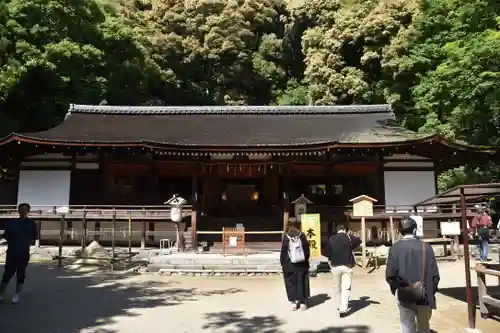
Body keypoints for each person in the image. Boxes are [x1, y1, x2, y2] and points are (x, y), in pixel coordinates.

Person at [386, 218, 440, 333]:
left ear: (400, 231)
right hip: (424, 293)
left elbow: (390, 275)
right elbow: (435, 274)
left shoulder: (395, 248)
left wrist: (396, 290)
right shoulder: (426, 247)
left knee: (407, 325)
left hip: (404, 293)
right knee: (424, 325)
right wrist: (432, 291)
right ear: (415, 230)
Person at [0, 203, 37, 304]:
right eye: (21, 209)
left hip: (23, 252)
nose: (23, 211)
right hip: (12, 251)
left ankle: (17, 294)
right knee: (7, 273)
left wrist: (26, 245)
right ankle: (1, 293)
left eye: (25, 209)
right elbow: (6, 235)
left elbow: (33, 237)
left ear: (28, 211)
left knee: (21, 273)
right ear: (18, 210)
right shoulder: (12, 223)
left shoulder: (31, 224)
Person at [328, 224, 361, 317]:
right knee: (346, 287)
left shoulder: (331, 238)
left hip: (335, 265)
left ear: (337, 230)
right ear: (344, 230)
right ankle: (343, 309)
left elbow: (327, 251)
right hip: (347, 265)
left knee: (337, 286)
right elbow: (359, 240)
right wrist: (350, 247)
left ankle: (339, 305)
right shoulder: (349, 237)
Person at [280, 217, 310, 311]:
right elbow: (306, 250)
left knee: (290, 283)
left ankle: (293, 303)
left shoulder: (286, 236)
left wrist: (282, 262)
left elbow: (283, 251)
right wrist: (305, 259)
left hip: (289, 264)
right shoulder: (302, 235)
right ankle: (302, 303)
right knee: (302, 282)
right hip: (301, 264)